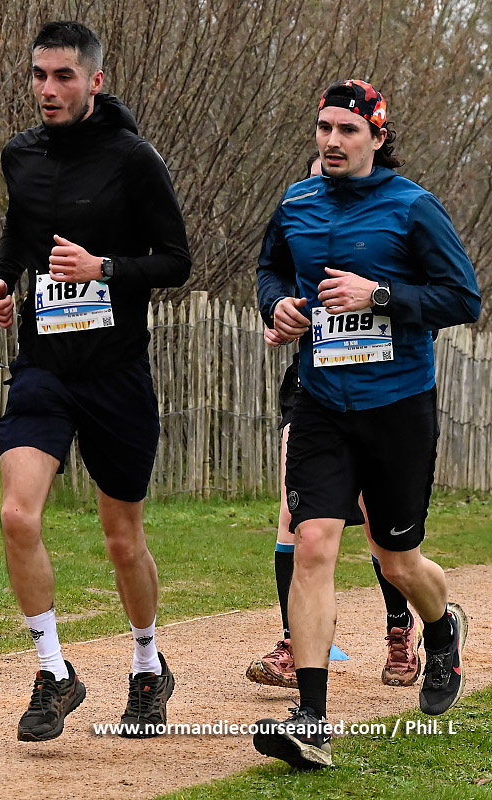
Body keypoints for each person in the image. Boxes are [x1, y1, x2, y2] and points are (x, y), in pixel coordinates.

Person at [252, 78, 480, 769]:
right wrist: (278, 306)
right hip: (321, 403)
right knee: (312, 543)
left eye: (348, 130)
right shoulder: (296, 202)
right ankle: (312, 720)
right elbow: (269, 269)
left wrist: (378, 295)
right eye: (324, 127)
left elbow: (462, 298)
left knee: (396, 559)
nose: (332, 140)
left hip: (398, 407)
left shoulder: (413, 207)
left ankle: (441, 628)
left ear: (378, 138)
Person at [0, 21, 191, 742]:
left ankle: (147, 665)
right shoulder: (20, 154)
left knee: (122, 539)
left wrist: (103, 268)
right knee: (17, 515)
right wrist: (4, 280)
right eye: (39, 74)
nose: (47, 88)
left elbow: (176, 260)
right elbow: (21, 230)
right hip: (43, 367)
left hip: (115, 374)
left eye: (63, 76)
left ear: (95, 81)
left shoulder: (133, 159)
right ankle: (53, 672)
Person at [246, 157, 421, 691]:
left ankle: (400, 628)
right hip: (312, 390)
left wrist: (378, 295)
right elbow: (274, 279)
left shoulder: (390, 225)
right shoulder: (300, 223)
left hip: (377, 394)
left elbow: (440, 296)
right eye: (317, 174)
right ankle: (294, 644)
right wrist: (281, 311)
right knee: (296, 519)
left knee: (376, 524)